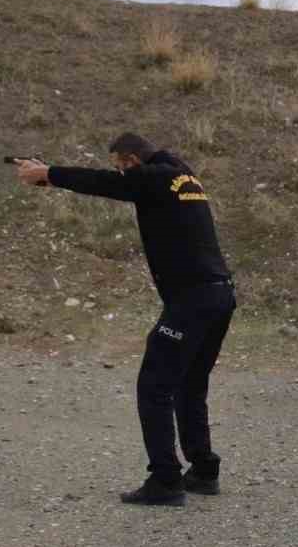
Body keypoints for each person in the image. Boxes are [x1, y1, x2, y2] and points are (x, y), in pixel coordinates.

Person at [14, 133, 237, 507]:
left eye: (121, 165)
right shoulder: (184, 176)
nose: (120, 172)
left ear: (132, 161)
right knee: (189, 383)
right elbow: (124, 180)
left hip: (192, 299)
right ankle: (203, 469)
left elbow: (102, 182)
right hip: (219, 295)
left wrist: (49, 173)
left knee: (154, 385)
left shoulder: (155, 178)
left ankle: (165, 480)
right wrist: (47, 173)